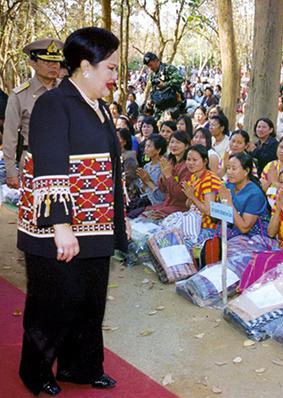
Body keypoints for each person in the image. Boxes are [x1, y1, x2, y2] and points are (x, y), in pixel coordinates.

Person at [17, 27, 125, 395]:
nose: (115, 76)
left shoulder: (100, 106)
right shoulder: (54, 103)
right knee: (53, 303)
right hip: (58, 229)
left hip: (96, 225)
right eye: (110, 68)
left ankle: (81, 366)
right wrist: (61, 224)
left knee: (89, 301)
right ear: (85, 66)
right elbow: (50, 164)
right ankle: (36, 372)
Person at [4, 38, 63, 189]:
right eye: (47, 62)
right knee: (34, 209)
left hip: (64, 158)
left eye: (56, 62)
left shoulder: (67, 91)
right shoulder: (19, 95)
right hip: (33, 159)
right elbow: (10, 136)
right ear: (33, 63)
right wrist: (11, 171)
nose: (53, 66)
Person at [141, 131, 192, 219]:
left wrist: (168, 176)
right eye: (172, 142)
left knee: (150, 215)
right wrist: (164, 176)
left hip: (181, 206)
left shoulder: (188, 166)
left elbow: (180, 194)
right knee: (144, 212)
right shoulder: (170, 162)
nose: (174, 145)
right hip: (168, 203)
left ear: (186, 146)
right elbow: (162, 188)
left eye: (178, 142)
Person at [218, 153, 269, 237]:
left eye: (234, 169)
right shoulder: (228, 186)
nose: (229, 172)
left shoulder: (255, 194)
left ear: (246, 171)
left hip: (252, 238)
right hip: (230, 232)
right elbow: (217, 217)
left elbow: (244, 228)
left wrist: (229, 203)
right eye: (228, 168)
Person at [180, 145, 223, 230]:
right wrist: (190, 197)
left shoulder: (210, 179)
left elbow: (208, 211)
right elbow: (188, 205)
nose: (190, 163)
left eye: (195, 160)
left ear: (205, 161)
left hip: (208, 227)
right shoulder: (193, 177)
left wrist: (192, 197)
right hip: (194, 223)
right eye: (188, 159)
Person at [143, 52, 184, 117]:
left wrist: (165, 84)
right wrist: (151, 100)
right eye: (148, 66)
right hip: (159, 106)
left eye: (151, 65)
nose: (150, 68)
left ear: (156, 61)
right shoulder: (152, 75)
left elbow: (180, 79)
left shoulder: (168, 68)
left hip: (173, 105)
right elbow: (154, 90)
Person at [134, 134, 168, 211]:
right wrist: (144, 182)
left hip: (158, 205)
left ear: (158, 150)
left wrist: (148, 181)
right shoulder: (146, 166)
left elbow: (161, 197)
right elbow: (142, 189)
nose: (145, 149)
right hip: (145, 202)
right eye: (146, 146)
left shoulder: (163, 167)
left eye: (149, 146)